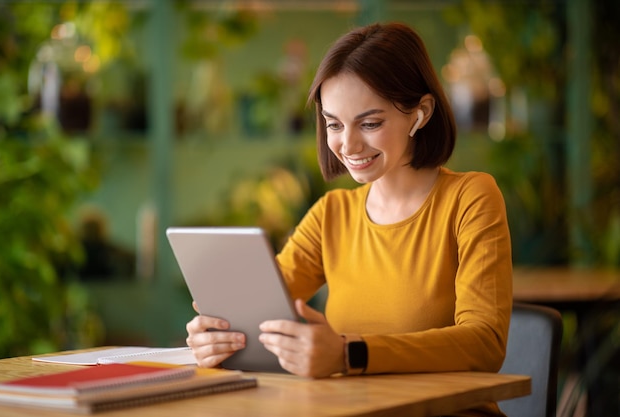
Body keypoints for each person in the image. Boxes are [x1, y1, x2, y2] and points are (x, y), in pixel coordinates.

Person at [186, 22, 512, 416]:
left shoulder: (470, 198)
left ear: (420, 114)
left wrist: (347, 353)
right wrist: (217, 335)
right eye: (334, 124)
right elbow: (257, 311)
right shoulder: (331, 215)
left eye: (370, 123)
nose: (347, 145)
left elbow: (484, 344)